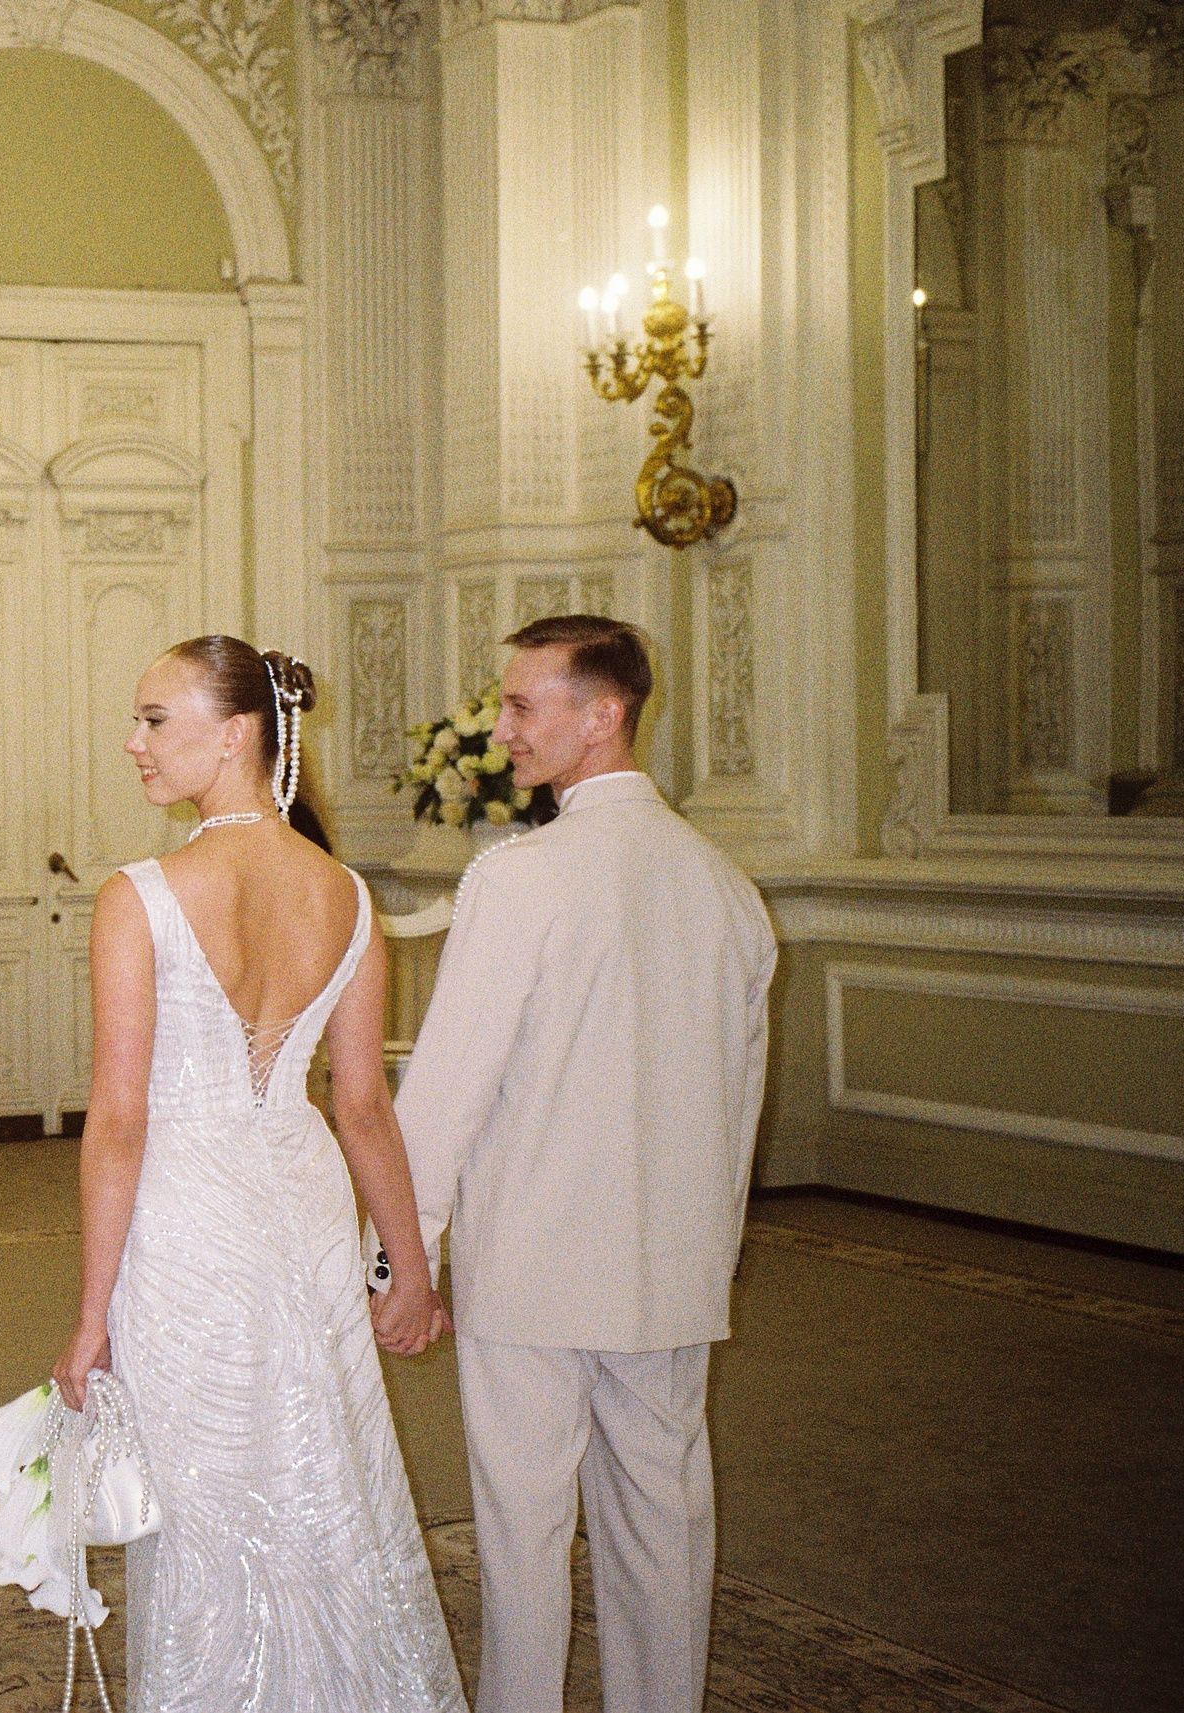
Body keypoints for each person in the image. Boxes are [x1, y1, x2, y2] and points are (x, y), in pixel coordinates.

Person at [51, 635, 467, 1713]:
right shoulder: (347, 894)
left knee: (208, 1492)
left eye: (154, 719)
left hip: (187, 1210)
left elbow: (120, 1124)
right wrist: (408, 1272)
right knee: (319, 1461)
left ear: (235, 733)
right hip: (301, 1192)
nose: (132, 741)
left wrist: (90, 1317)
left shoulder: (138, 895)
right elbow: (363, 1107)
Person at [391, 615, 776, 1713]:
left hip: (534, 1268)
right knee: (664, 1528)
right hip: (674, 1271)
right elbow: (739, 1108)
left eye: (520, 706)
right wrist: (712, 1252)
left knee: (521, 1535)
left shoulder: (521, 879)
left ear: (600, 717)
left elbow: (449, 1088)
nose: (499, 727)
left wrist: (400, 1258)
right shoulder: (725, 888)